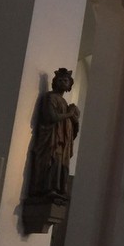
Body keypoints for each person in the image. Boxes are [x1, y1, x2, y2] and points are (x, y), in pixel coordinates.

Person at [30, 68, 80, 198]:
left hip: (63, 140)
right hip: (52, 139)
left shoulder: (64, 102)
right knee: (52, 160)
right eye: (61, 80)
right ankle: (46, 188)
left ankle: (58, 189)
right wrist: (69, 113)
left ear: (70, 84)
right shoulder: (50, 97)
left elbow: (70, 124)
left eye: (66, 80)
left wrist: (74, 119)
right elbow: (50, 117)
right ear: (55, 82)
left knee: (61, 163)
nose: (64, 82)